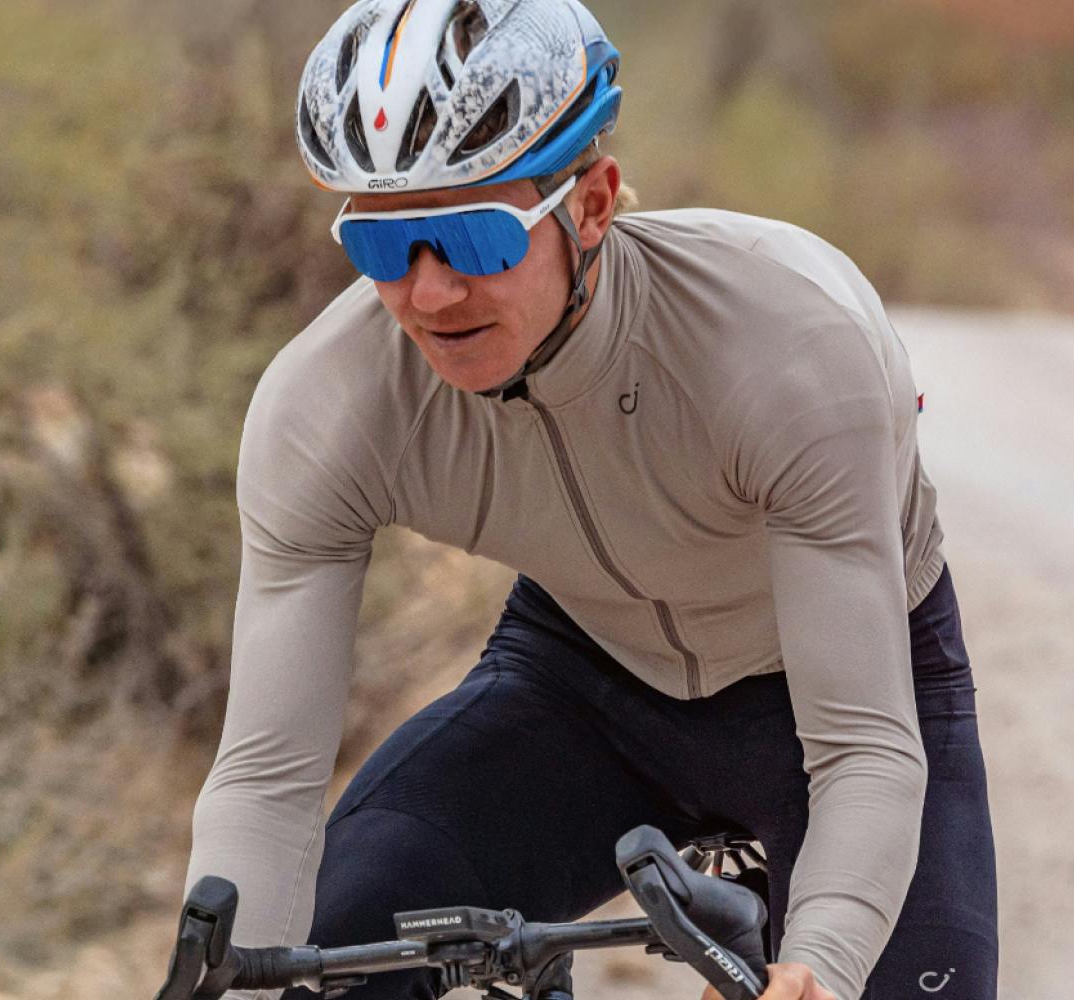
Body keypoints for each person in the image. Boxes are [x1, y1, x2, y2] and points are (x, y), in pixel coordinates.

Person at [183, 2, 997, 998]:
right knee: (343, 939)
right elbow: (267, 783)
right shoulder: (329, 405)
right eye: (385, 249)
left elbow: (865, 747)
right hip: (587, 678)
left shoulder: (785, 343)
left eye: (473, 237)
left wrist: (819, 963)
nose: (429, 295)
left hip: (837, 689)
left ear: (595, 202)